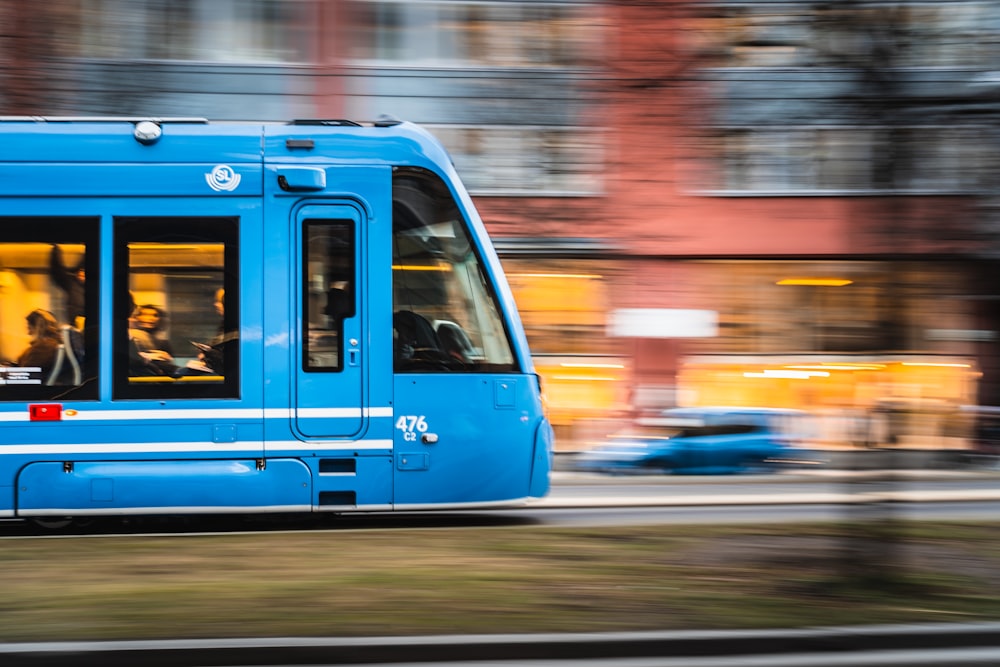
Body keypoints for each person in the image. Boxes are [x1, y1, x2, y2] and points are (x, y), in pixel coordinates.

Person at [17, 309, 63, 380]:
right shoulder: (52, 343)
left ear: (38, 328)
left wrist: (6, 374)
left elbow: (28, 374)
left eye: (29, 328)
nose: (28, 333)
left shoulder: (43, 347)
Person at [49, 245, 86, 330]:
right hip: (74, 324)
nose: (82, 275)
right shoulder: (71, 283)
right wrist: (55, 252)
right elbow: (57, 272)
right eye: (80, 271)